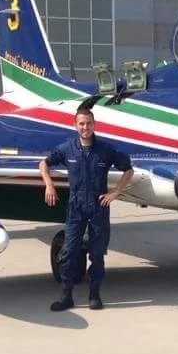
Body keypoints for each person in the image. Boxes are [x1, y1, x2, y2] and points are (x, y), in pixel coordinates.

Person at [39, 107, 134, 311]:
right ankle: (66, 296)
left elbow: (128, 169)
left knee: (97, 253)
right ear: (75, 125)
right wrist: (49, 184)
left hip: (99, 207)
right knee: (69, 252)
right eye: (81, 124)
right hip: (76, 207)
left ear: (94, 125)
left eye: (89, 123)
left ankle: (94, 294)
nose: (85, 127)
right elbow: (44, 164)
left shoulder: (106, 150)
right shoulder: (67, 149)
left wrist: (116, 192)